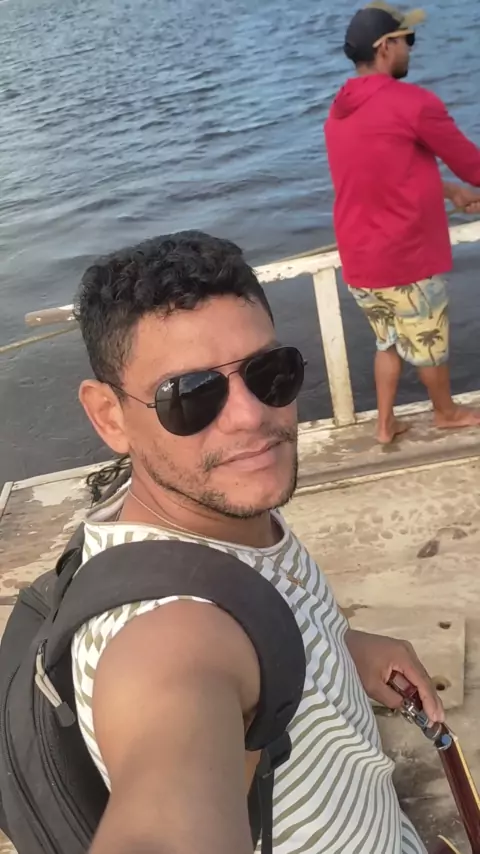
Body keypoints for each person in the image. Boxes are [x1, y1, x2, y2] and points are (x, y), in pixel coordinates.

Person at [74, 230, 442, 853]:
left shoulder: (218, 510)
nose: (250, 416)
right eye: (190, 395)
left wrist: (343, 649)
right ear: (110, 416)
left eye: (268, 372)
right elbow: (171, 768)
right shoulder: (166, 633)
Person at [324, 2, 480, 444]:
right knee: (429, 341)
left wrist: (448, 191)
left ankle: (384, 423)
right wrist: (464, 183)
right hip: (405, 259)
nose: (411, 47)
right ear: (385, 47)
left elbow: (381, 173)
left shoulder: (339, 111)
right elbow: (473, 166)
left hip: (361, 262)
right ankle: (446, 412)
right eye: (406, 39)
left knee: (387, 341)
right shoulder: (413, 103)